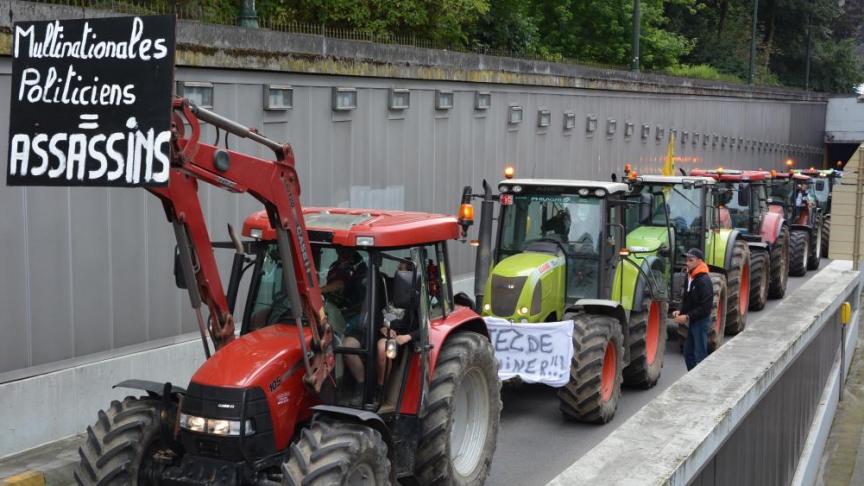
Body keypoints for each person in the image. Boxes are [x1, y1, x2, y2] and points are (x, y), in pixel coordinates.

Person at [673, 248, 714, 371]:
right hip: (693, 320)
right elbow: (686, 297)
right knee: (688, 353)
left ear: (700, 262)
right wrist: (680, 310)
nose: (687, 263)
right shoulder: (689, 276)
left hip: (701, 321)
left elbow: (706, 308)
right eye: (687, 260)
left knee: (700, 354)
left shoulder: (704, 281)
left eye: (691, 260)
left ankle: (702, 381)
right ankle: (693, 377)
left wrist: (687, 317)